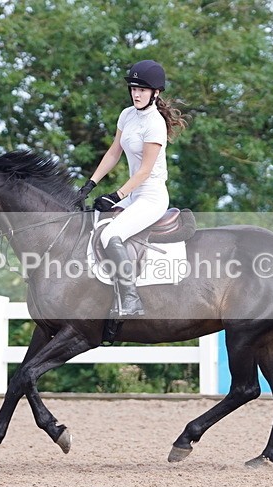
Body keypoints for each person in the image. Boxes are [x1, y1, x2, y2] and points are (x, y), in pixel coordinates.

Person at [78, 60, 187, 317]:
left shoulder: (155, 124)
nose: (136, 94)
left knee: (109, 235)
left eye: (142, 90)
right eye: (133, 89)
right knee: (93, 224)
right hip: (133, 194)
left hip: (151, 197)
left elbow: (145, 171)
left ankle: (131, 299)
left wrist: (116, 195)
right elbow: (114, 151)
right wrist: (90, 183)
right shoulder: (127, 115)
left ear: (155, 93)